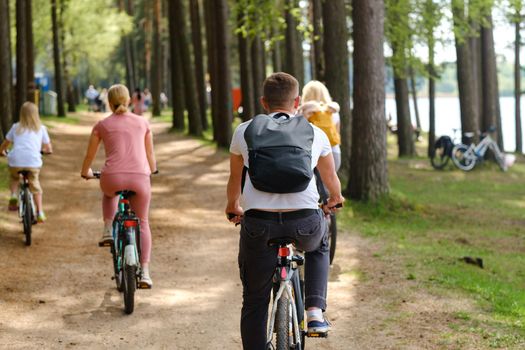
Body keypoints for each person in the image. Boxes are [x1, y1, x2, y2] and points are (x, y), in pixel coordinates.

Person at [225, 72, 344, 350]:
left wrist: (233, 206)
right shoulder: (316, 132)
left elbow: (234, 179)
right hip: (303, 221)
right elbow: (330, 181)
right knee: (319, 241)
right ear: (297, 101)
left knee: (254, 299)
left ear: (263, 102)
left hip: (259, 224)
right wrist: (335, 199)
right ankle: (314, 311)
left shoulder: (244, 130)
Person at [80, 84, 157, 288]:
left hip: (111, 177)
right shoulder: (143, 122)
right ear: (129, 100)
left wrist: (85, 171)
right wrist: (153, 170)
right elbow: (150, 155)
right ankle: (146, 273)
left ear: (108, 102)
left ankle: (107, 229)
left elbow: (90, 154)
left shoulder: (102, 125)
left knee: (109, 194)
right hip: (139, 178)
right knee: (142, 222)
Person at [0, 102, 53, 222]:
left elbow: (5, 144)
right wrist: (45, 151)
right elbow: (49, 148)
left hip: (16, 160)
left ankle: (13, 196)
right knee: (35, 184)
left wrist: (2, 151)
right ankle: (39, 212)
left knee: (14, 177)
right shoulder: (41, 128)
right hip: (33, 161)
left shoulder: (15, 127)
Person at [300, 80, 342, 171]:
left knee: (315, 184)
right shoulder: (332, 112)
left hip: (312, 153)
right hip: (333, 152)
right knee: (329, 183)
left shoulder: (304, 112)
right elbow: (337, 134)